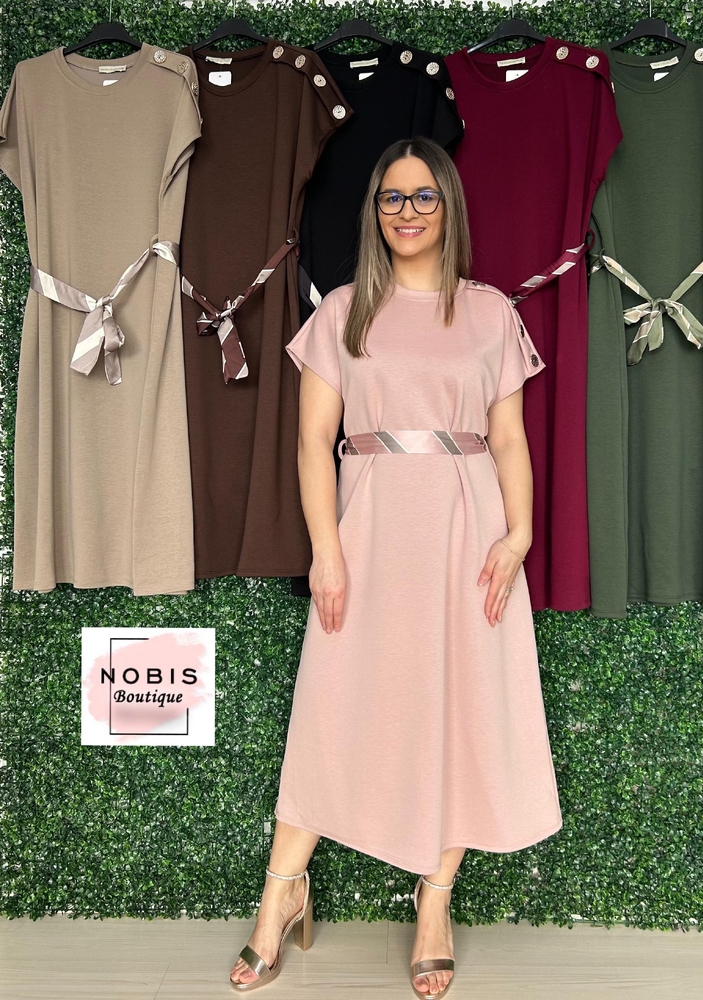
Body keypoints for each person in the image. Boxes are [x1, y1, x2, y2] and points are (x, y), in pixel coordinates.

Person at [229, 136, 563, 997]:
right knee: (333, 705)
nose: (405, 212)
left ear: (448, 206)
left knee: (458, 707)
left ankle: (434, 901)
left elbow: (509, 439)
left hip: (469, 535)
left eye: (422, 197)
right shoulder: (343, 310)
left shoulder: (490, 313)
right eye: (390, 198)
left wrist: (519, 536)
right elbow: (312, 443)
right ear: (373, 211)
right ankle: (280, 893)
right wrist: (327, 552)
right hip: (370, 534)